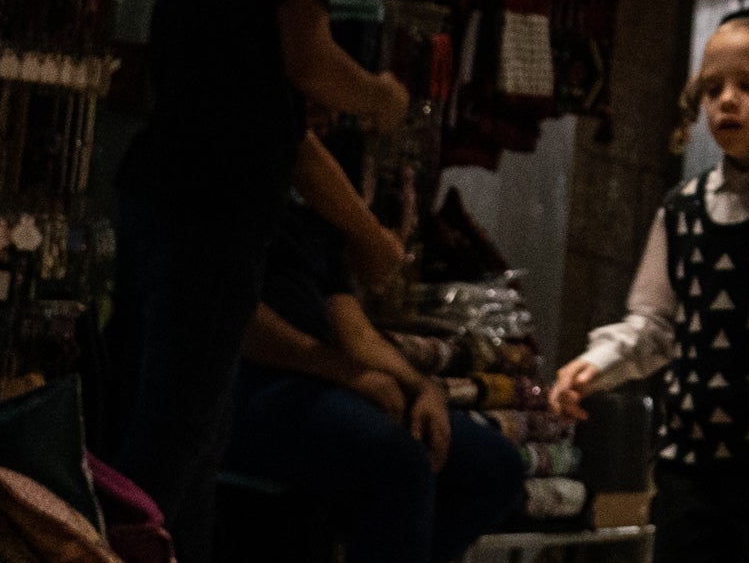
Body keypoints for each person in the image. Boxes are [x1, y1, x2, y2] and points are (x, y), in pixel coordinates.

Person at [108, 0, 412, 563]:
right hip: (207, 212)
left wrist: (366, 230)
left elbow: (291, 143)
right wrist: (380, 95)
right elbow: (312, 58)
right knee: (175, 432)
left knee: (186, 430)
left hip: (162, 194)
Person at [551, 8, 749, 561]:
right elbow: (655, 325)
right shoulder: (681, 209)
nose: (726, 100)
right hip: (688, 472)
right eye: (713, 88)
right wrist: (598, 364)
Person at [225, 188, 527, 561]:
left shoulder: (307, 221)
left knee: (495, 466)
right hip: (243, 385)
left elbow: (358, 335)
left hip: (319, 381)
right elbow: (237, 323)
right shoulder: (231, 202)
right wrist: (351, 376)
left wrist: (423, 388)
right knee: (399, 460)